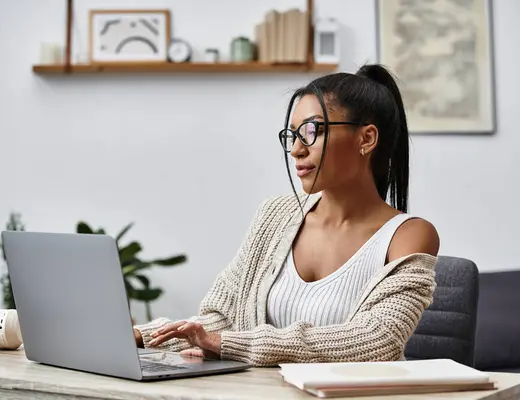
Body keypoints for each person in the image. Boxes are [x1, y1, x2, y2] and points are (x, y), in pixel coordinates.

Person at [133, 64, 440, 367]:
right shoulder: (275, 216)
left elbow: (379, 340)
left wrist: (228, 344)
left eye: (311, 131)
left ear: (366, 139)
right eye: (291, 135)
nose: (295, 150)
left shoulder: (409, 235)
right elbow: (220, 320)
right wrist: (140, 336)